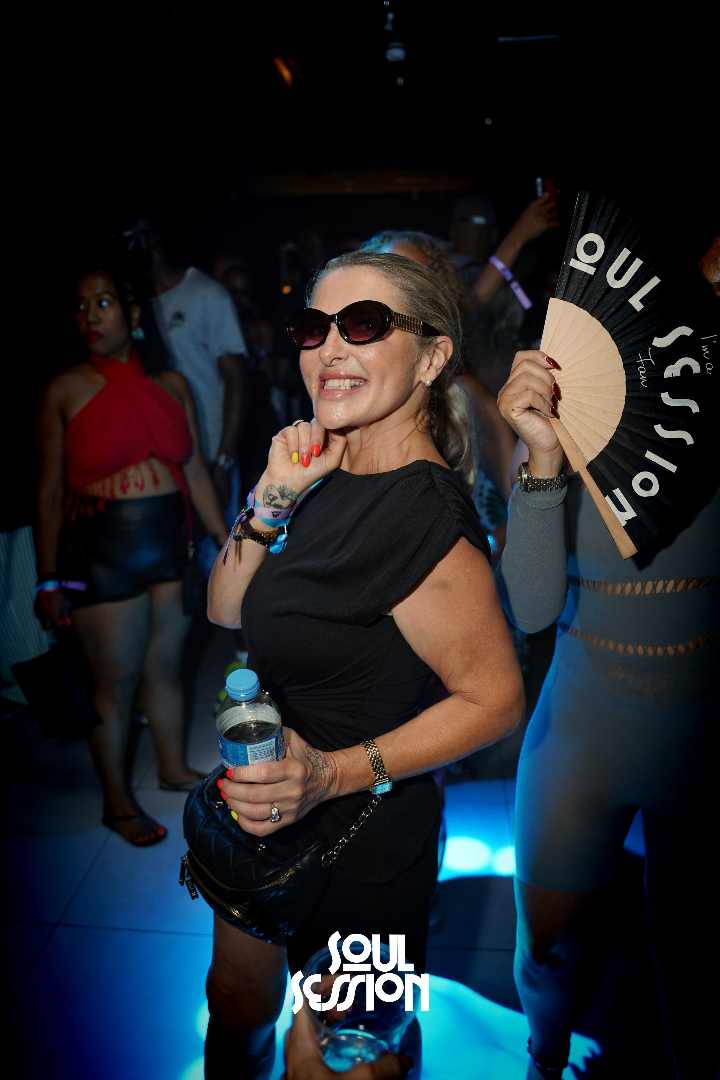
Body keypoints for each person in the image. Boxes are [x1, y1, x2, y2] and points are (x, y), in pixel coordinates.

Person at [204, 250, 525, 1077]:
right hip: (265, 814)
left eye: (365, 324)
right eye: (316, 328)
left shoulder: (425, 516)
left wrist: (329, 776)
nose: (331, 349)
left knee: (348, 1057)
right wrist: (273, 493)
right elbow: (225, 607)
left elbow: (495, 700)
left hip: (366, 843)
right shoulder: (318, 467)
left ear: (432, 356)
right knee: (236, 1006)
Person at [494, 245, 719, 1077]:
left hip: (704, 739)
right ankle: (544, 1059)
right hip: (584, 733)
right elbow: (531, 608)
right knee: (546, 956)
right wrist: (541, 457)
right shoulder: (566, 410)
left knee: (698, 972)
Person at [36, 266, 228, 845]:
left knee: (165, 669)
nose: (89, 316)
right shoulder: (64, 388)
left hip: (170, 542)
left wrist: (228, 542)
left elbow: (194, 471)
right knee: (114, 682)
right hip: (103, 549)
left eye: (103, 303)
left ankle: (172, 769)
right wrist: (47, 578)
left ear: (134, 314)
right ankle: (117, 803)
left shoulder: (172, 384)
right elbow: (49, 490)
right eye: (80, 306)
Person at [127, 216, 247, 515]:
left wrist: (224, 461)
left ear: (149, 239)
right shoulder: (132, 302)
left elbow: (236, 381)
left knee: (219, 542)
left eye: (128, 238)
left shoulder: (207, 294)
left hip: (208, 455)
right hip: (158, 459)